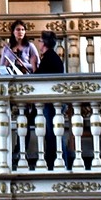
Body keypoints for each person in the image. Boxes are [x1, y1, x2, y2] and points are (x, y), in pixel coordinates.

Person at [35, 31, 70, 168]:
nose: (38, 43)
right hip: (52, 102)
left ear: (44, 43)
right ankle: (58, 164)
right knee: (53, 134)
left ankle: (59, 165)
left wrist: (33, 65)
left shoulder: (49, 58)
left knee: (54, 135)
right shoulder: (51, 57)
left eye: (39, 41)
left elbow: (37, 77)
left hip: (52, 102)